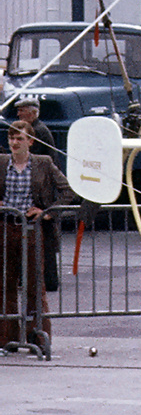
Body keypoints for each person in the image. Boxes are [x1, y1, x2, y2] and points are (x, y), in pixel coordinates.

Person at [2, 121, 73, 348]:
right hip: (4, 228)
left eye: (19, 138)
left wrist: (47, 213)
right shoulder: (1, 162)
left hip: (32, 230)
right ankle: (6, 338)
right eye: (11, 138)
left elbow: (68, 190)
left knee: (35, 284)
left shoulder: (43, 163)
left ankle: (39, 336)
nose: (14, 142)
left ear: (31, 142)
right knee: (5, 284)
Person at [13, 98, 60, 292]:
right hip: (43, 188)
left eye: (22, 111)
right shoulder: (39, 129)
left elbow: (33, 158)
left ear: (32, 113)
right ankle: (43, 279)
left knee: (43, 240)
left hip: (42, 191)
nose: (18, 115)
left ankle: (47, 280)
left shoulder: (38, 132)